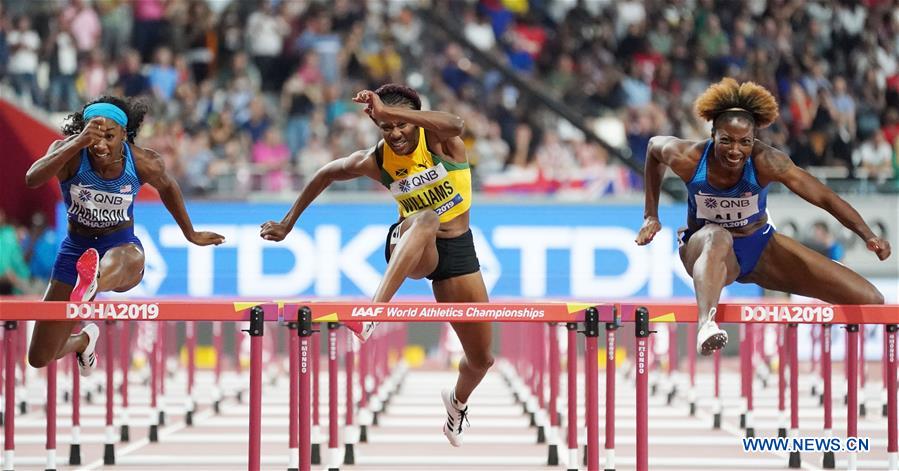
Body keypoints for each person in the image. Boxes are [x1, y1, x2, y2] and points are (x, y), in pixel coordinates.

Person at [260, 84, 492, 447]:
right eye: (386, 128)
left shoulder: (440, 142)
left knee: (481, 360)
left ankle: (457, 403)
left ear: (413, 121)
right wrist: (288, 222)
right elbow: (325, 174)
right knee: (427, 218)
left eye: (400, 126)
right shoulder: (378, 160)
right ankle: (372, 312)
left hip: (457, 251)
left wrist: (393, 112)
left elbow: (457, 123)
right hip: (410, 244)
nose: (395, 134)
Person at [635, 78, 890, 355]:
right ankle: (706, 325)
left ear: (753, 140)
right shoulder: (688, 158)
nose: (735, 151)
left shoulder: (767, 161)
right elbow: (652, 148)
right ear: (712, 136)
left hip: (760, 247)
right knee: (717, 234)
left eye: (744, 142)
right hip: (706, 249)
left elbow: (825, 197)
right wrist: (651, 215)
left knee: (870, 299)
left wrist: (868, 235)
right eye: (726, 141)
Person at [24, 96, 225, 375]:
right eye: (93, 134)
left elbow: (168, 187)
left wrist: (190, 233)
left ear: (124, 134)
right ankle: (84, 339)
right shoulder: (69, 153)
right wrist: (78, 142)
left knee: (119, 258)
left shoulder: (143, 161)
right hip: (75, 249)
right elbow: (32, 179)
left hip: (121, 247)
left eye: (109, 136)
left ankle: (92, 281)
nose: (100, 144)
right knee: (39, 356)